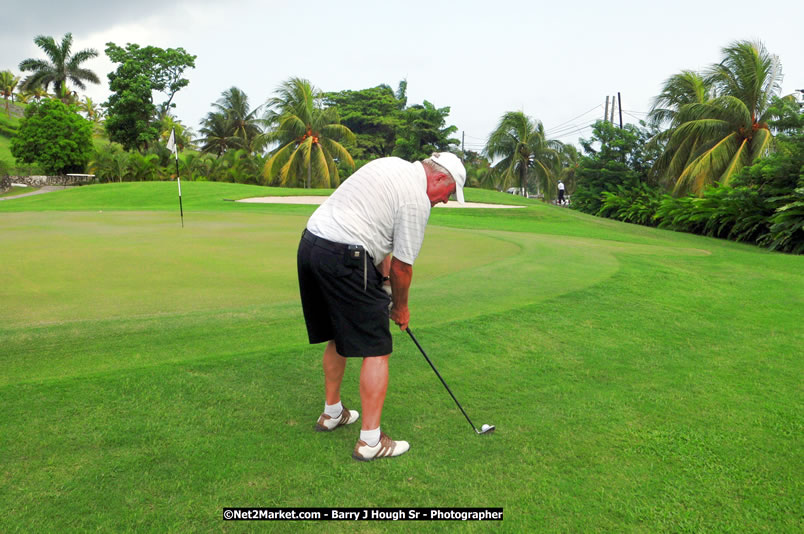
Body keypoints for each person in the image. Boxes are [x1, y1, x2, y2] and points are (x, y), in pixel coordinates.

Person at [296, 152, 466, 461]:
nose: (444, 200)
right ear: (440, 178)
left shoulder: (392, 165)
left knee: (339, 331)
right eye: (449, 193)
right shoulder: (417, 201)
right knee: (376, 348)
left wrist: (384, 284)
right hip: (345, 254)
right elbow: (403, 267)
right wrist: (399, 308)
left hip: (311, 244)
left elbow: (381, 239)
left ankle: (332, 413)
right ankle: (371, 442)